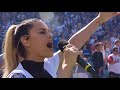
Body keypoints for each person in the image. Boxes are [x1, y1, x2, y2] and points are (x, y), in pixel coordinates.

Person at [2, 12, 120, 78]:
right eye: (42, 32)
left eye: (49, 31)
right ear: (26, 40)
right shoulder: (18, 76)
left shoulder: (47, 65)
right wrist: (67, 66)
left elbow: (74, 44)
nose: (50, 35)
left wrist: (99, 19)